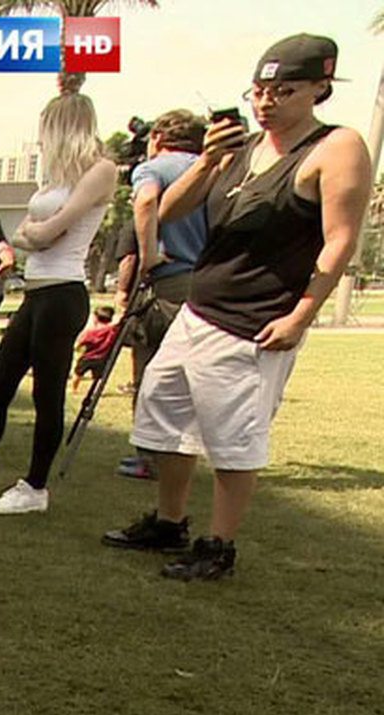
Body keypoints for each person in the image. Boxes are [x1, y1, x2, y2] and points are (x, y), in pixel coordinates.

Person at [105, 33, 369, 580]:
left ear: (319, 88)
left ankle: (219, 545)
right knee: (164, 418)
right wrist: (207, 161)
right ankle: (169, 521)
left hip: (256, 319)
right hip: (199, 308)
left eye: (284, 91)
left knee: (233, 439)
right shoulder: (242, 148)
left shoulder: (335, 147)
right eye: (259, 91)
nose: (267, 102)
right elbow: (170, 213)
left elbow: (340, 240)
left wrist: (300, 315)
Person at [0, 90, 118, 515]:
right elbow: (23, 234)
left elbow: (51, 229)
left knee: (47, 392)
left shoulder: (101, 170)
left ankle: (35, 487)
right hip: (36, 292)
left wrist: (38, 233)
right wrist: (36, 234)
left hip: (62, 293)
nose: (40, 140)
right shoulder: (53, 179)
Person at [115, 109, 210, 479]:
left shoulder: (154, 169)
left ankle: (151, 457)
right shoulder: (214, 169)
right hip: (211, 283)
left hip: (169, 283)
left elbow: (145, 202)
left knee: (152, 371)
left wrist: (148, 255)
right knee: (199, 376)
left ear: (157, 137)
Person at [73, 305, 121, 387]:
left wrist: (77, 348)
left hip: (87, 357)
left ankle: (74, 389)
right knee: (97, 378)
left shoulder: (91, 332)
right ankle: (96, 390)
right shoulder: (112, 330)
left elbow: (80, 343)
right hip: (101, 358)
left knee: (78, 374)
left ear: (96, 319)